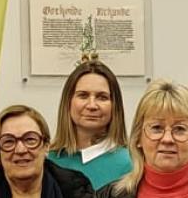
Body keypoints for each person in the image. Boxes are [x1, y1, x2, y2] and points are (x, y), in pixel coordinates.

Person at [45, 60, 133, 189]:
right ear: (68, 102)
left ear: (115, 106)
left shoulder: (130, 164)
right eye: (83, 95)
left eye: (102, 97)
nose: (92, 105)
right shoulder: (48, 161)